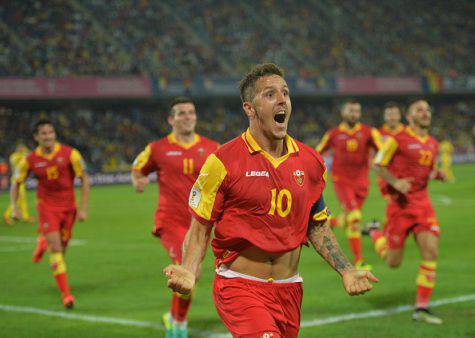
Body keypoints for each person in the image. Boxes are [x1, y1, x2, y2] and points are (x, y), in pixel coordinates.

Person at [164, 64, 377, 337]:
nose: (282, 100)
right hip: (240, 287)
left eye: (285, 93)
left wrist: (346, 269)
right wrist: (189, 270)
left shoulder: (311, 162)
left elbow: (317, 225)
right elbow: (201, 226)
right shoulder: (223, 162)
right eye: (270, 94)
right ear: (249, 109)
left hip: (290, 289)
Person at [131, 97, 219, 338]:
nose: (187, 116)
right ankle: (178, 325)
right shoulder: (157, 148)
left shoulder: (212, 148)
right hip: (170, 221)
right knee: (190, 271)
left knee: (190, 272)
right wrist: (138, 180)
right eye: (181, 113)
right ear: (171, 119)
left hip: (200, 223)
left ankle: (173, 317)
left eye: (191, 112)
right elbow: (137, 167)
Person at [368, 99, 445, 324]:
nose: (425, 113)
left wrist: (437, 174)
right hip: (399, 207)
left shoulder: (433, 143)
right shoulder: (396, 140)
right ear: (409, 117)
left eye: (427, 110)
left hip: (422, 205)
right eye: (419, 110)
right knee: (393, 262)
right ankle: (374, 232)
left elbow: (427, 171)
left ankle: (421, 308)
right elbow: (377, 164)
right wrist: (395, 182)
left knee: (431, 251)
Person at [10, 120, 89, 308]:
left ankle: (43, 241)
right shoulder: (28, 160)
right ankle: (66, 295)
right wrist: (14, 207)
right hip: (46, 208)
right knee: (56, 250)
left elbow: (84, 179)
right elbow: (16, 182)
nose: (48, 136)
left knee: (62, 248)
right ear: (36, 137)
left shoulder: (71, 154)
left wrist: (83, 208)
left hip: (69, 208)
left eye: (50, 132)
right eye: (43, 133)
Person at [316, 100, 382, 270]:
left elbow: (383, 151)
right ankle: (359, 261)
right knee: (354, 218)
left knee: (350, 218)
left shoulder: (369, 132)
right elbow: (317, 152)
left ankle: (330, 222)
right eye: (351, 110)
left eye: (357, 111)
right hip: (342, 181)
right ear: (343, 112)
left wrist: (380, 162)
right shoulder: (334, 134)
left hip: (362, 182)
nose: (354, 114)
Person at [4, 144, 34, 224]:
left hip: (21, 180)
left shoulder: (21, 155)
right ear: (18, 149)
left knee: (22, 200)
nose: (22, 149)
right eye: (21, 148)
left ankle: (25, 217)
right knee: (17, 199)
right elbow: (26, 157)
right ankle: (7, 215)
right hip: (15, 180)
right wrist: (26, 153)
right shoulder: (14, 156)